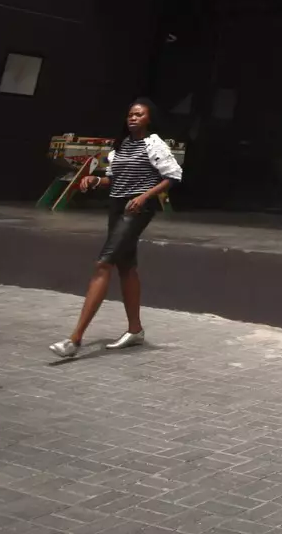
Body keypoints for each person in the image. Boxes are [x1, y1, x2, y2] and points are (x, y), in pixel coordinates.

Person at [49, 98, 182, 357]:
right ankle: (135, 330)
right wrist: (96, 180)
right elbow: (114, 179)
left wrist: (144, 196)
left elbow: (172, 177)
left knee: (103, 263)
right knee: (126, 266)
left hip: (137, 209)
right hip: (117, 207)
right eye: (130, 114)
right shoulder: (120, 147)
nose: (132, 118)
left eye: (139, 115)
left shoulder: (153, 144)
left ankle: (74, 340)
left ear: (149, 119)